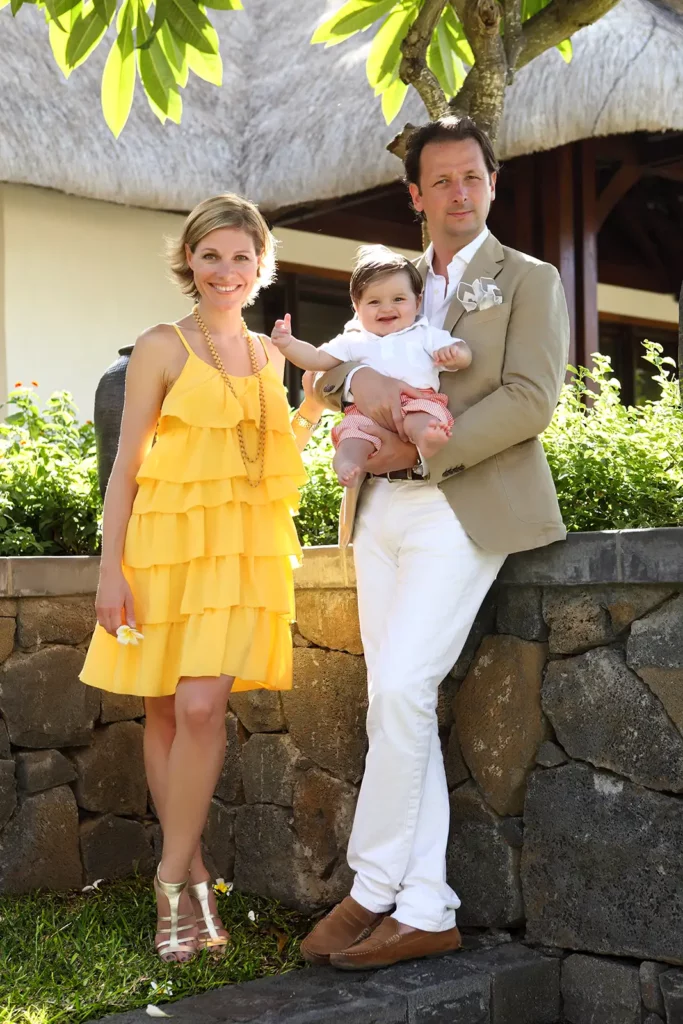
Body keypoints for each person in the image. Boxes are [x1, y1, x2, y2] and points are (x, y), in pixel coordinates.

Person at [301, 115, 570, 971]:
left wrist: (419, 442)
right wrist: (365, 378)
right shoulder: (392, 279)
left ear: (492, 184)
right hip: (378, 512)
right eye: (441, 181)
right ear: (415, 195)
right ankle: (426, 907)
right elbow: (334, 362)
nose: (459, 193)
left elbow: (531, 398)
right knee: (396, 697)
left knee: (404, 686)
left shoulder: (528, 279)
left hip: (462, 507)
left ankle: (371, 886)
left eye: (473, 178)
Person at [80, 194, 324, 962]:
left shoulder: (266, 354)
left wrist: (312, 405)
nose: (226, 270)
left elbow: (269, 457)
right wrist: (109, 572)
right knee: (163, 710)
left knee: (200, 704)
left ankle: (167, 878)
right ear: (189, 259)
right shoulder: (159, 345)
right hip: (162, 548)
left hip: (240, 549)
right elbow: (125, 470)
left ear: (262, 267)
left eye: (241, 257)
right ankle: (194, 877)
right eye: (211, 255)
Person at [271, 245, 471, 487]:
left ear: (417, 302)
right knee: (351, 440)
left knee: (423, 421)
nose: (387, 308)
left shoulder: (424, 334)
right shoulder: (353, 340)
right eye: (374, 301)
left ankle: (427, 441)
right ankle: (347, 465)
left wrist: (454, 353)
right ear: (356, 307)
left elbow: (464, 354)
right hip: (364, 413)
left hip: (418, 401)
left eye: (398, 299)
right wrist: (288, 344)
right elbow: (316, 360)